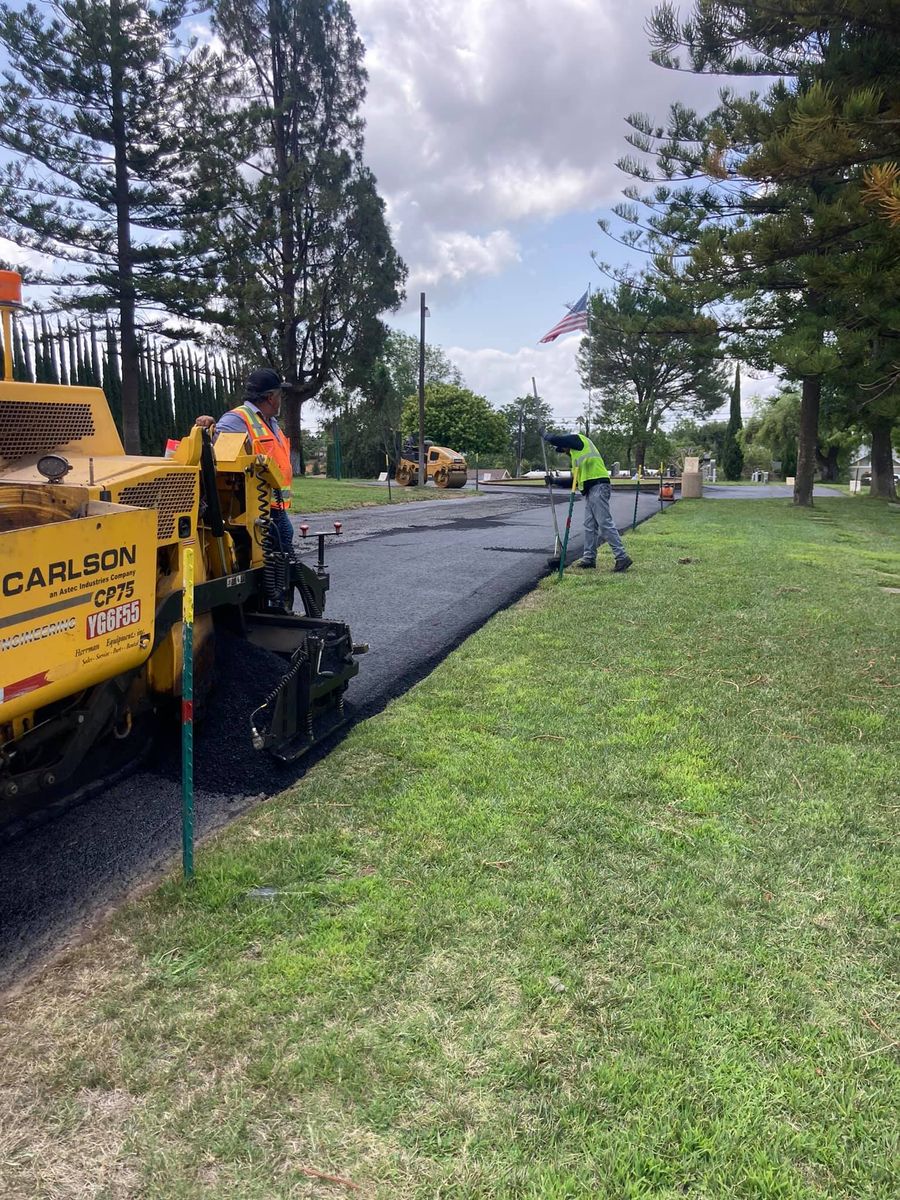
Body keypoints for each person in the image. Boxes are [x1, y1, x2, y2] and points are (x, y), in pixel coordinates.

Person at [195, 368, 295, 554]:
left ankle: (279, 581)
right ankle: (277, 582)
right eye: (280, 395)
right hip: (257, 504)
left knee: (282, 547)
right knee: (278, 549)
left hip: (273, 504)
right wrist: (209, 426)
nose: (281, 400)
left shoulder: (270, 421)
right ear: (271, 397)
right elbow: (217, 446)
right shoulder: (237, 418)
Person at [541, 431, 633, 572]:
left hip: (599, 486)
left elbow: (556, 439)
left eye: (564, 448)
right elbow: (575, 480)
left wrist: (546, 436)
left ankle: (622, 557)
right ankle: (589, 558)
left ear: (567, 443)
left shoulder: (578, 440)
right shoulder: (576, 457)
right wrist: (554, 481)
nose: (565, 451)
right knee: (590, 525)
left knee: (604, 523)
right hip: (591, 490)